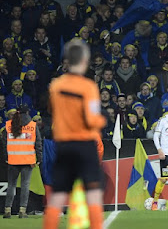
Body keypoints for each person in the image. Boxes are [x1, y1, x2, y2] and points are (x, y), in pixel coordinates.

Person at [43, 40, 106, 229]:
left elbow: (54, 111)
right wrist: (102, 121)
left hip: (63, 145)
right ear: (85, 60)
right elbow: (93, 119)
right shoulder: (89, 87)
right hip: (85, 144)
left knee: (58, 195)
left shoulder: (55, 86)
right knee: (93, 193)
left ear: (67, 61)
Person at [2, 105, 42, 219]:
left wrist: (6, 156)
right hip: (28, 160)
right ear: (28, 112)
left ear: (17, 112)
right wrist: (39, 159)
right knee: (25, 185)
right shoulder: (33, 126)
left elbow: (4, 143)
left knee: (11, 185)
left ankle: (7, 210)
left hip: (13, 160)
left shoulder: (9, 125)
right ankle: (22, 211)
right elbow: (38, 143)